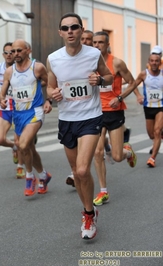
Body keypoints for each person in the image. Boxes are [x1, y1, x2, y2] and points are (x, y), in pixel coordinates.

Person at [47, 13, 113, 240]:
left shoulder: (94, 54)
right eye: (66, 28)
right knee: (76, 173)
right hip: (67, 119)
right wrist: (52, 94)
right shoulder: (53, 58)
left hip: (91, 117)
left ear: (81, 30)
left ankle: (87, 215)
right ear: (60, 33)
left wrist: (100, 81)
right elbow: (50, 86)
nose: (70, 31)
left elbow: (109, 76)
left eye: (74, 27)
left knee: (83, 169)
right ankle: (89, 210)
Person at [0, 39, 52, 196]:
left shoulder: (38, 67)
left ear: (28, 51)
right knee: (29, 148)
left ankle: (30, 177)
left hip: (35, 112)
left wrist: (48, 100)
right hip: (18, 114)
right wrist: (1, 99)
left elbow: (50, 84)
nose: (15, 54)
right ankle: (43, 175)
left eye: (19, 51)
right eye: (13, 51)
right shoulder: (9, 71)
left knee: (22, 145)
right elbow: (3, 91)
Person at [91, 31, 137, 206]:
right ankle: (103, 191)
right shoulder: (88, 62)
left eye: (100, 42)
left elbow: (132, 82)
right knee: (98, 152)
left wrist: (119, 98)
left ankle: (127, 152)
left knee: (117, 156)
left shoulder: (116, 63)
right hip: (95, 112)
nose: (96, 45)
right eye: (94, 42)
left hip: (114, 111)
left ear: (107, 44)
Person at [0, 42, 26, 179]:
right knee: (0, 139)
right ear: (3, 54)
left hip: (20, 108)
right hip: (4, 108)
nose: (9, 55)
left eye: (11, 52)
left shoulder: (22, 68)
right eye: (6, 53)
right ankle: (14, 147)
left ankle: (21, 167)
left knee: (20, 141)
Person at [66, 29, 95, 187]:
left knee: (94, 151)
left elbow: (108, 78)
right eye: (82, 39)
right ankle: (108, 147)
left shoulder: (95, 57)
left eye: (88, 39)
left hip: (97, 108)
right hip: (73, 113)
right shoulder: (65, 58)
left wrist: (100, 80)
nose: (85, 41)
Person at [130, 47, 163, 168]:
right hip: (148, 107)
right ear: (149, 62)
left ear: (160, 62)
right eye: (152, 61)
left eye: (156, 61)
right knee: (151, 135)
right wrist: (138, 95)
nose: (154, 63)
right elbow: (132, 84)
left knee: (157, 131)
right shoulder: (144, 74)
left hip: (161, 107)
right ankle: (159, 138)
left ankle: (152, 158)